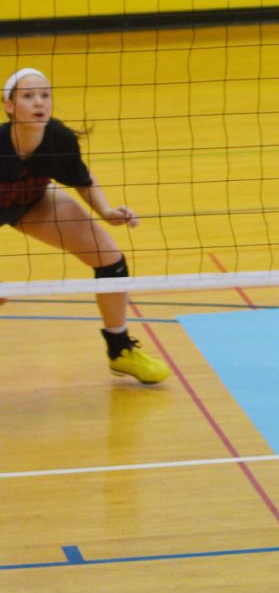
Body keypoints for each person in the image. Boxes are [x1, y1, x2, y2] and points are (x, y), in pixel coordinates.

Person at [0, 68, 169, 384]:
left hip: (32, 202)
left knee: (108, 256)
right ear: (9, 106)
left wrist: (106, 210)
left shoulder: (58, 138)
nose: (39, 102)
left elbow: (81, 178)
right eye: (28, 96)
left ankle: (120, 351)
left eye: (45, 95)